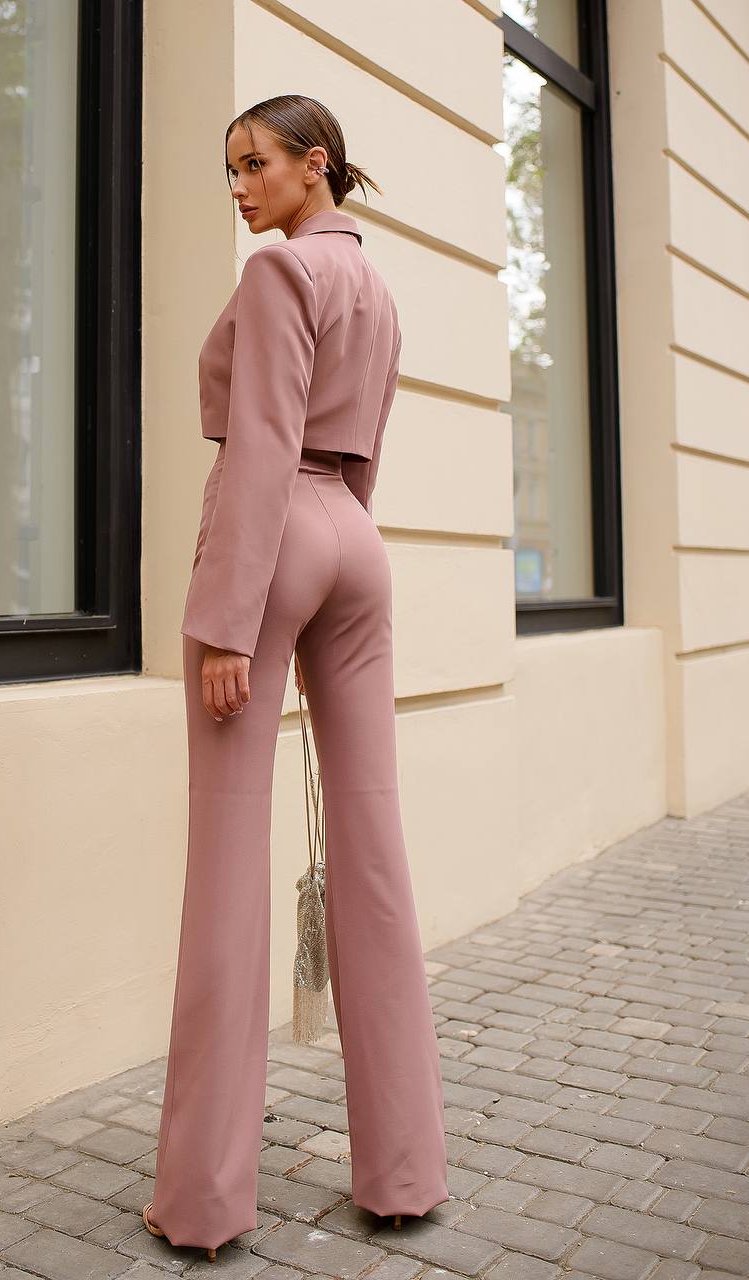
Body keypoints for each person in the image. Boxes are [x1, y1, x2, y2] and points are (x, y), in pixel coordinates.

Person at [142, 94, 449, 1265]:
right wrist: (336, 558)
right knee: (373, 849)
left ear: (312, 167)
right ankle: (404, 1169)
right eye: (230, 168)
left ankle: (206, 1198)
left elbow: (264, 441)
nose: (239, 186)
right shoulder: (374, 283)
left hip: (266, 550)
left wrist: (228, 618)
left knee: (226, 870)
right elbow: (353, 443)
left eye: (254, 165)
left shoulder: (282, 277)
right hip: (351, 546)